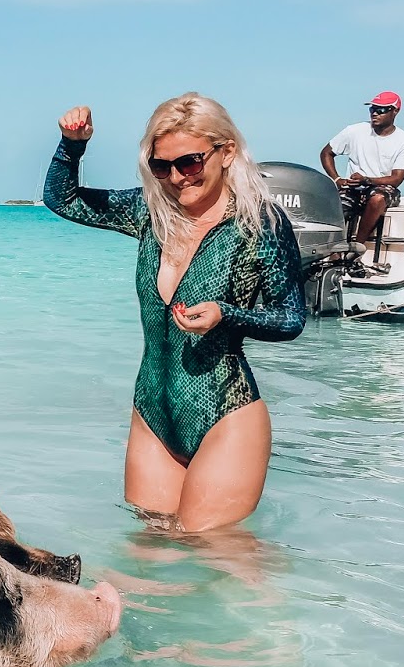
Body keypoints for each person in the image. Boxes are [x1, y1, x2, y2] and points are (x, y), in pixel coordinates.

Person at [43, 94, 305, 532]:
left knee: (220, 554)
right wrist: (72, 146)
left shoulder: (261, 224)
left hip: (226, 413)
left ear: (227, 152)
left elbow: (290, 318)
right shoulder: (149, 212)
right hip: (152, 414)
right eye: (162, 167)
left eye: (190, 163)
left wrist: (228, 314)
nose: (177, 178)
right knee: (150, 555)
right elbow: (62, 199)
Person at [320, 92, 404, 246]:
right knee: (336, 205)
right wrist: (337, 179)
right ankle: (334, 253)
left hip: (382, 188)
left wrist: (366, 180)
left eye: (382, 110)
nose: (375, 113)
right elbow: (326, 153)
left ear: (395, 111)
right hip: (353, 188)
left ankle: (358, 247)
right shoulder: (354, 131)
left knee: (377, 198)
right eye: (373, 109)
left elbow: (396, 179)